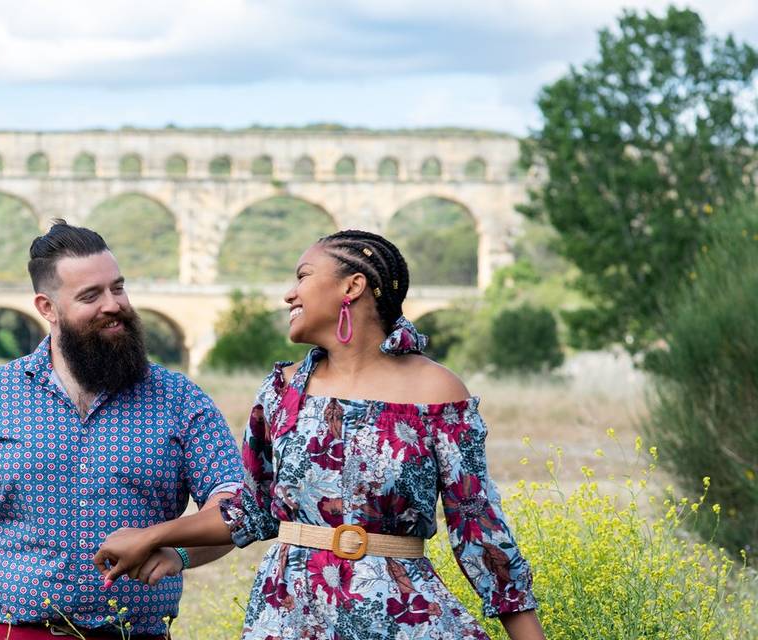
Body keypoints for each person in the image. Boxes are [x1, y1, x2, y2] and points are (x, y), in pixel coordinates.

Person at [94, 229, 546, 639]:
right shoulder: (281, 392)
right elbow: (252, 512)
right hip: (290, 617)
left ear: (352, 286)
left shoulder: (437, 392)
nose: (289, 294)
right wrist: (155, 536)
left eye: (303, 276)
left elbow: (479, 527)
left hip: (402, 618)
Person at [0, 220, 243, 639]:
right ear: (47, 308)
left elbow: (236, 507)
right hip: (14, 632)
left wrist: (177, 549)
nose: (113, 305)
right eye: (91, 295)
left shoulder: (180, 398)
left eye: (118, 288)